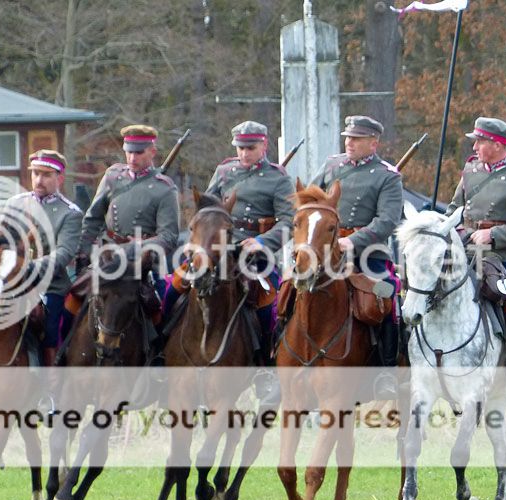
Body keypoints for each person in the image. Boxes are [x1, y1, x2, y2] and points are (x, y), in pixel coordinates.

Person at [165, 120, 293, 371]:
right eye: (240, 148)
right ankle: (161, 353)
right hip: (215, 247)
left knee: (272, 303)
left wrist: (261, 241)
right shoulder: (224, 172)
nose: (244, 153)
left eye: (251, 148)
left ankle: (267, 366)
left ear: (264, 145)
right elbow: (207, 206)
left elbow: (289, 220)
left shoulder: (278, 178)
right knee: (173, 289)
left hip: (253, 253)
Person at [447, 117, 506, 396]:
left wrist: (493, 235)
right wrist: (454, 229)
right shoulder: (470, 171)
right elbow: (455, 209)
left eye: (480, 141)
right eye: (475, 141)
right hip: (466, 251)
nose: (474, 146)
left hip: (503, 256)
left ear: (498, 144)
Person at [310, 115, 403, 399]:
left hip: (368, 254)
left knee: (388, 295)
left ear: (373, 143)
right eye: (347, 137)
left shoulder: (387, 175)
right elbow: (311, 201)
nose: (348, 143)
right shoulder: (331, 166)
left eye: (356, 139)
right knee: (290, 290)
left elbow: (387, 221)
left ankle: (386, 372)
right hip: (326, 251)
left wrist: (352, 241)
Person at [76, 124, 180, 304]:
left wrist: (138, 247)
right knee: (73, 303)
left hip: (144, 262)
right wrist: (83, 252)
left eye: (139, 153)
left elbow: (169, 236)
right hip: (107, 256)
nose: (132, 158)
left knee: (161, 311)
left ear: (152, 152)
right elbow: (93, 219)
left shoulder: (165, 188)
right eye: (129, 152)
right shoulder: (112, 176)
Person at [1, 149, 83, 367]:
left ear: (60, 178)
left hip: (49, 286)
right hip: (10, 283)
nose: (39, 179)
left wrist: (29, 268)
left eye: (46, 175)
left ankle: (50, 386)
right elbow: (0, 241)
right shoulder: (14, 205)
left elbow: (64, 253)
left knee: (48, 328)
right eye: (36, 173)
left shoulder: (70, 213)